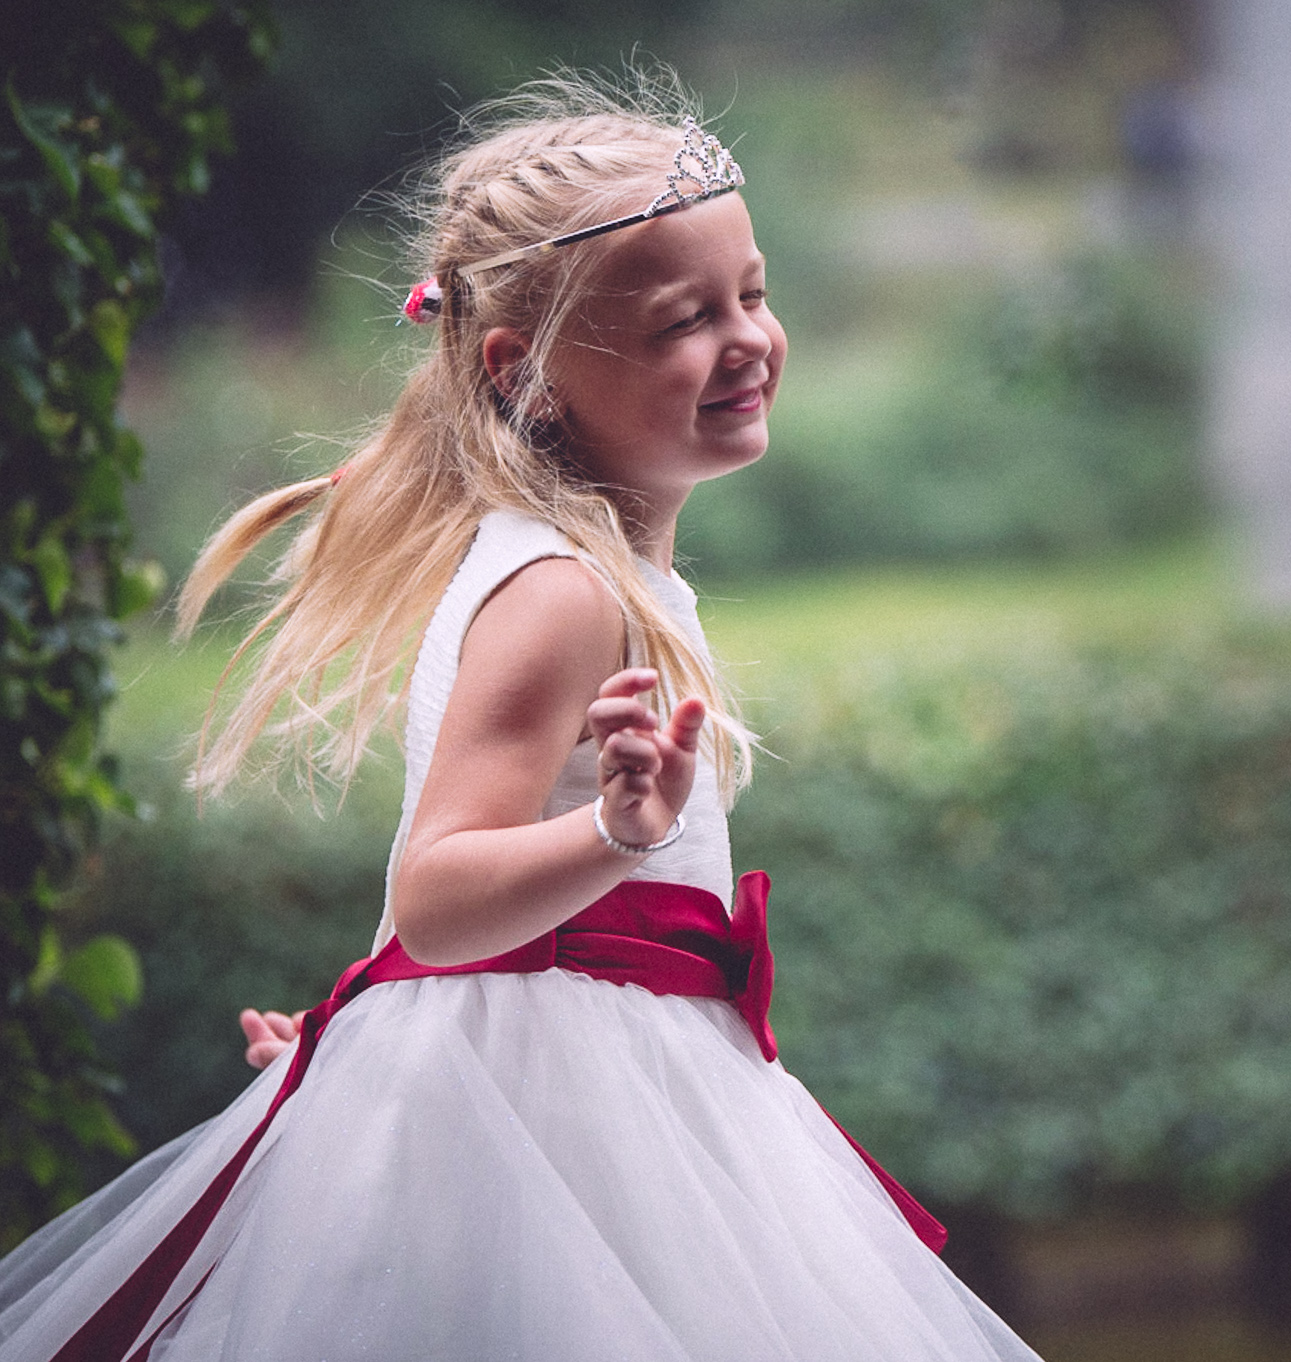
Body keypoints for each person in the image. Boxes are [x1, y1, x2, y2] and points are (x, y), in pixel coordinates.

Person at [0, 71, 1041, 1361]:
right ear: (528, 372)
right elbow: (441, 892)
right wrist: (610, 838)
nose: (747, 339)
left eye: (753, 295)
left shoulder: (587, 570)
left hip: (577, 1092)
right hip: (561, 1123)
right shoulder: (561, 591)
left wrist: (360, 1053)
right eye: (683, 320)